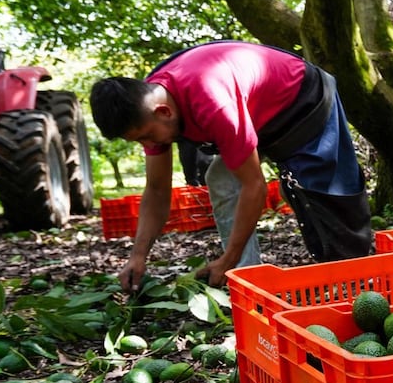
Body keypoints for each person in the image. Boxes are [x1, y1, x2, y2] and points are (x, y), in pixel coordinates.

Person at [90, 41, 374, 290]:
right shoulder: (148, 106)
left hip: (303, 99)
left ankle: (359, 276)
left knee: (322, 193)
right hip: (255, 113)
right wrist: (138, 256)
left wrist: (228, 256)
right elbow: (156, 191)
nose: (149, 144)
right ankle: (247, 278)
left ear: (163, 112)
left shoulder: (212, 102)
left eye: (148, 137)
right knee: (222, 179)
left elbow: (255, 186)